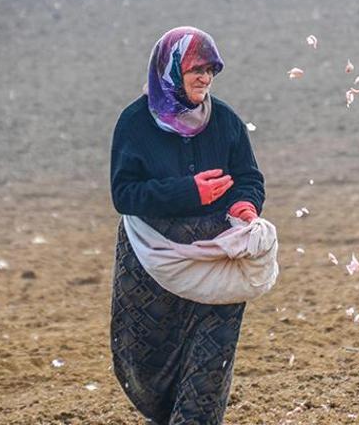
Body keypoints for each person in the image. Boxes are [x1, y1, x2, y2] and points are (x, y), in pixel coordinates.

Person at [109, 26, 264, 424]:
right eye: (196, 68)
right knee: (147, 364)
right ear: (169, 69)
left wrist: (246, 206)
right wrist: (188, 192)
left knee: (210, 364)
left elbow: (248, 177)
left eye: (211, 69)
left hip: (217, 258)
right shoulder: (135, 124)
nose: (205, 78)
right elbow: (124, 194)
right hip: (151, 262)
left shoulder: (225, 120)